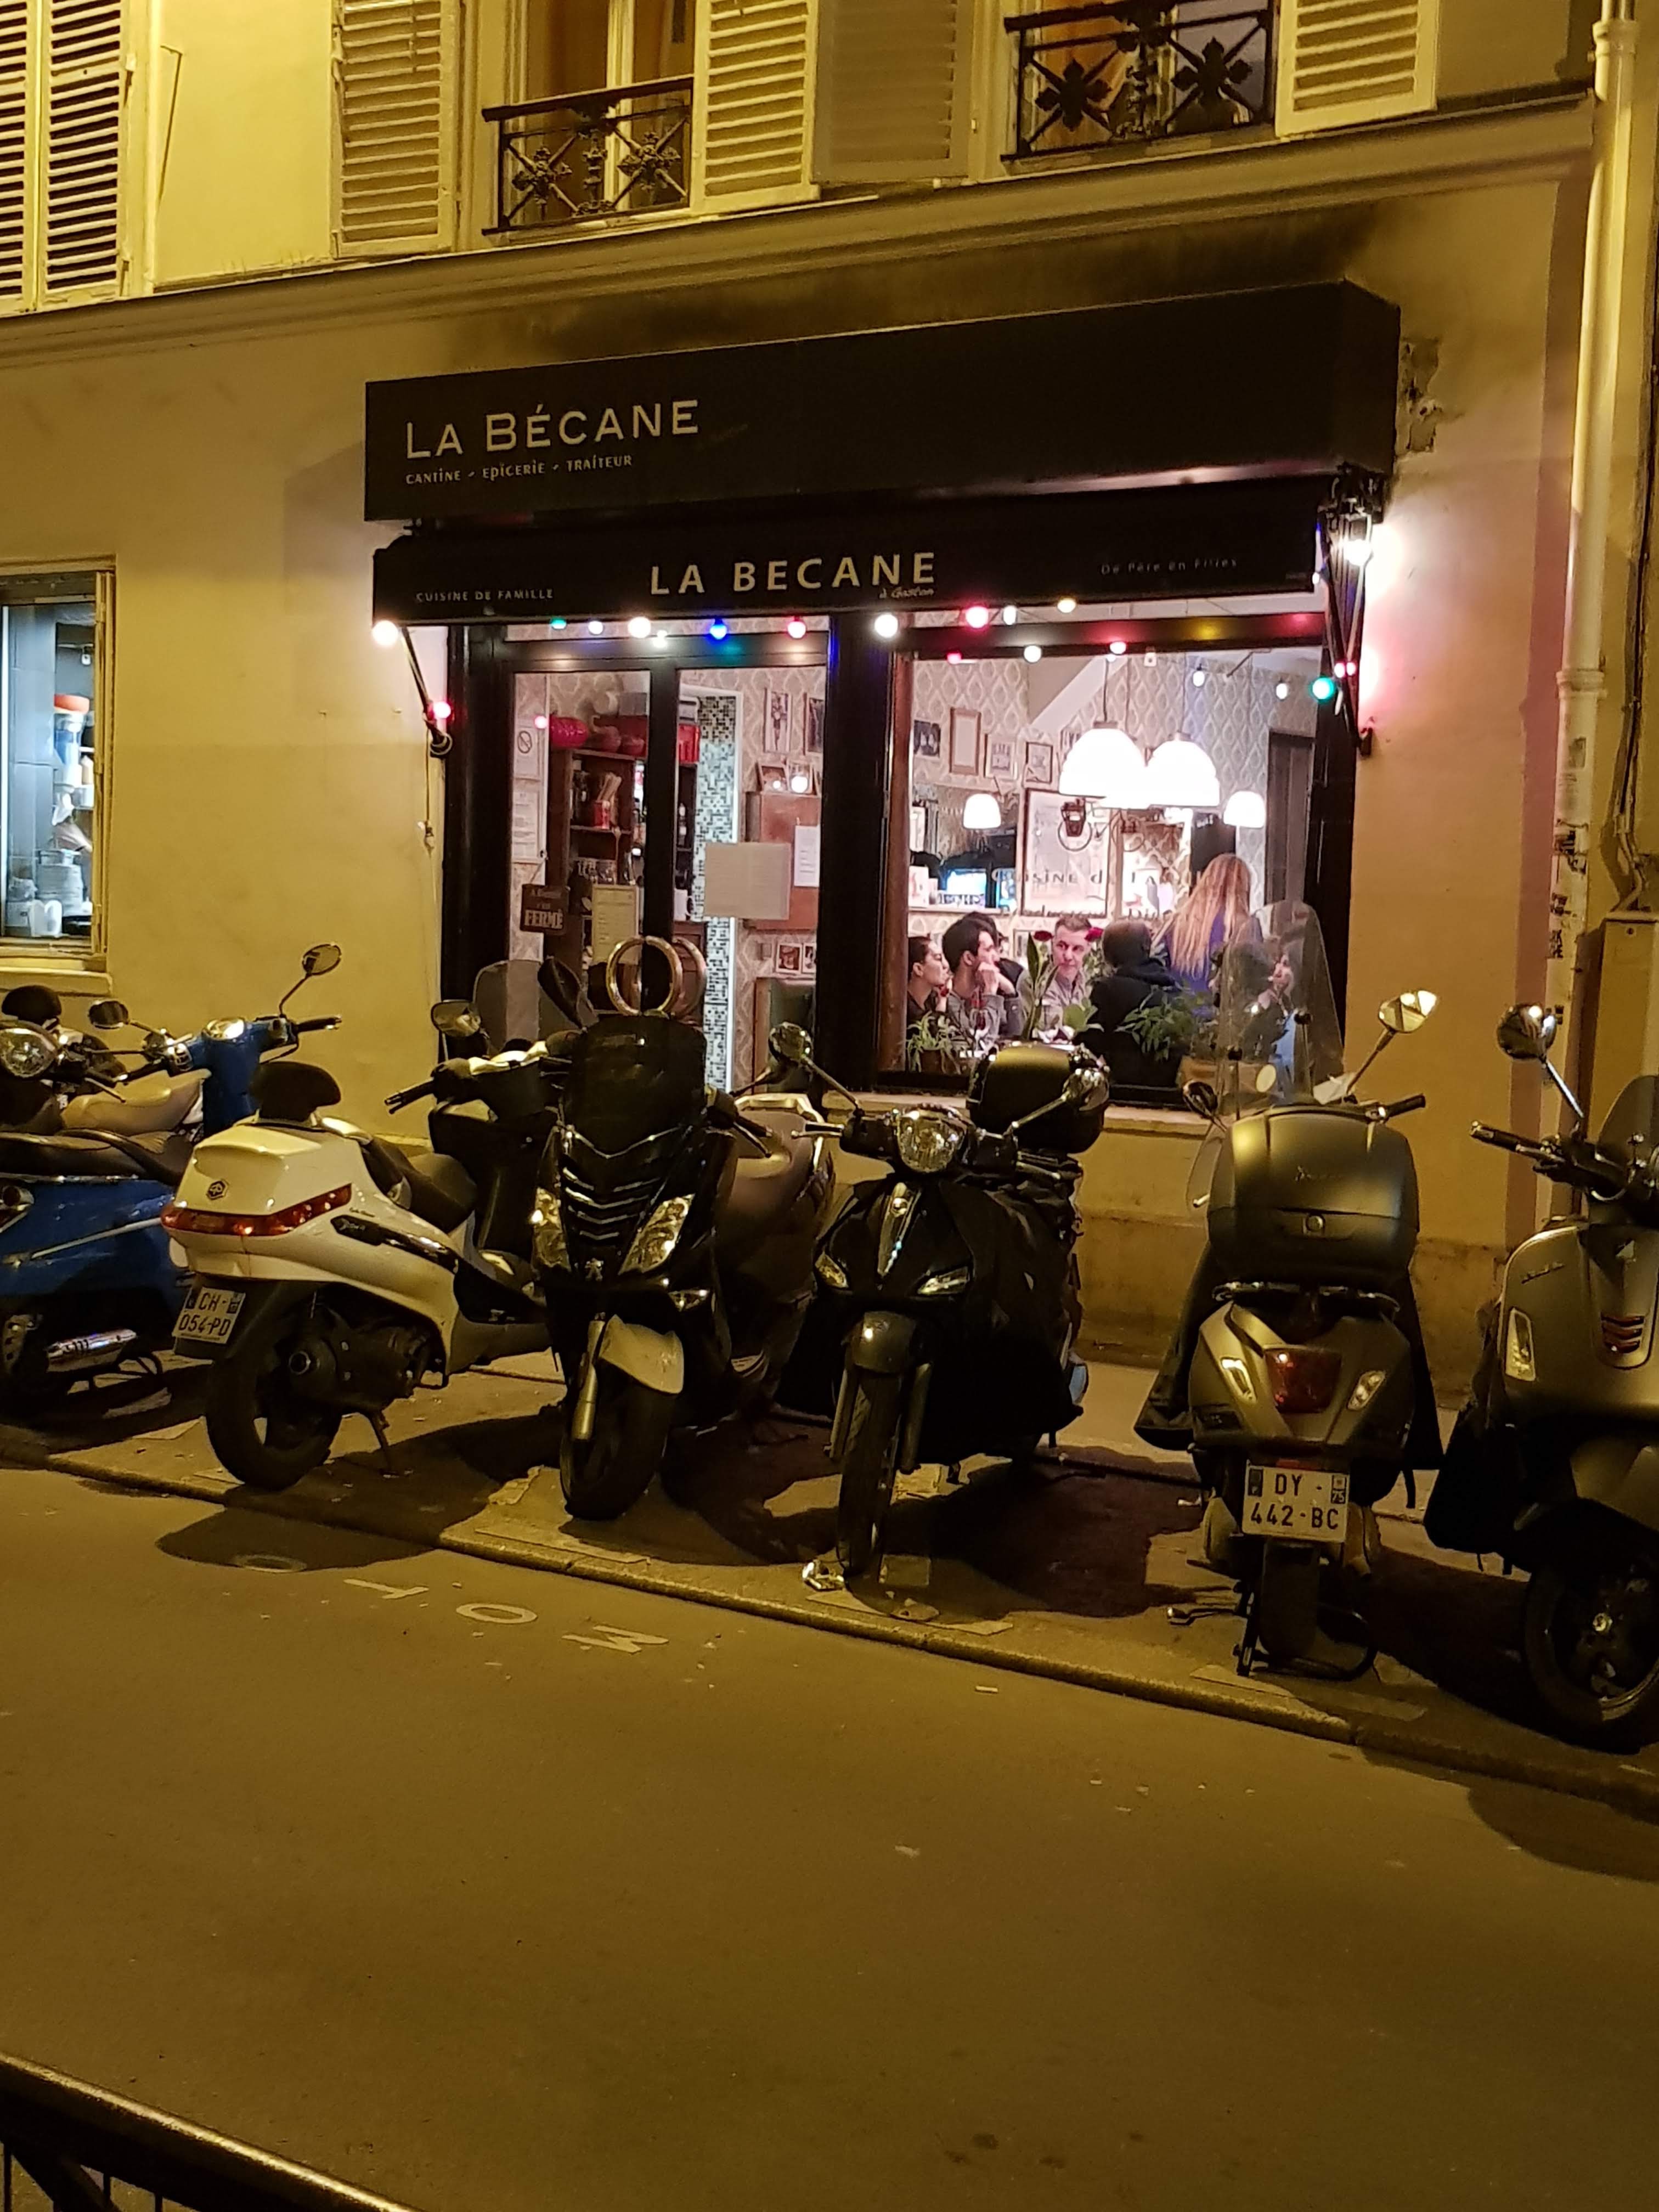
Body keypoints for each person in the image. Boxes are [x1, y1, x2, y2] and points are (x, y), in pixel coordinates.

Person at [1082, 919, 1183, 1089]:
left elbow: (1089, 1046)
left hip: (1121, 1091)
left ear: (1108, 955)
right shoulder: (1175, 991)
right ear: (1147, 947)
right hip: (1167, 1091)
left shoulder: (1107, 990)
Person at [1158, 853, 1254, 996]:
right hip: (1220, 1008)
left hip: (1175, 1007)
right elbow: (1253, 980)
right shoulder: (1245, 926)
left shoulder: (1176, 923)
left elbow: (1156, 968)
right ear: (1243, 887)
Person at [941, 912, 1019, 1054]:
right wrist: (990, 993)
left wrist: (1010, 992)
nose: (996, 957)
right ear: (969, 958)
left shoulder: (981, 996)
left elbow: (1017, 1041)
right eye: (989, 950)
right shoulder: (948, 1003)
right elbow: (982, 1048)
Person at [1032, 911, 1093, 1038]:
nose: (1068, 956)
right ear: (1052, 945)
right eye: (1062, 946)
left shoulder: (1091, 985)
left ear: (1088, 951)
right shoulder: (1034, 981)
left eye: (1077, 949)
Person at [905, 934, 950, 1035]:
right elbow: (936, 1039)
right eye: (938, 958)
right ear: (918, 969)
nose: (945, 965)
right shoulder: (905, 1012)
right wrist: (941, 1006)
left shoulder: (932, 1001)